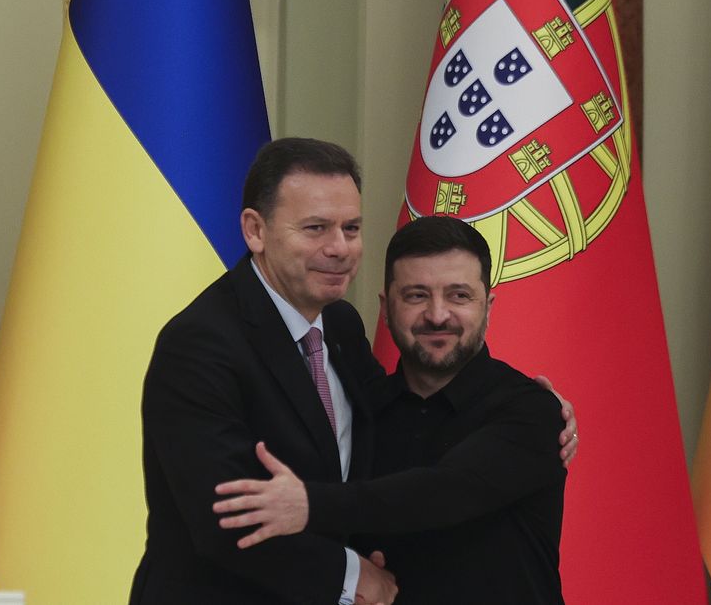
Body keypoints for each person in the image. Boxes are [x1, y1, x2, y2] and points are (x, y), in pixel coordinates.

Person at [131, 138, 575, 604]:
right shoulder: (200, 343)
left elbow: (404, 445)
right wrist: (350, 579)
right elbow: (226, 518)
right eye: (316, 228)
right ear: (255, 230)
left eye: (351, 227)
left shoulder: (339, 324)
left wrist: (541, 412)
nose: (339, 248)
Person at [213, 216, 567, 604]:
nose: (437, 314)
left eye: (459, 296)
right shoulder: (362, 411)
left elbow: (444, 493)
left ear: (489, 305)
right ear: (385, 307)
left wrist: (308, 505)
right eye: (416, 295)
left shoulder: (531, 410)